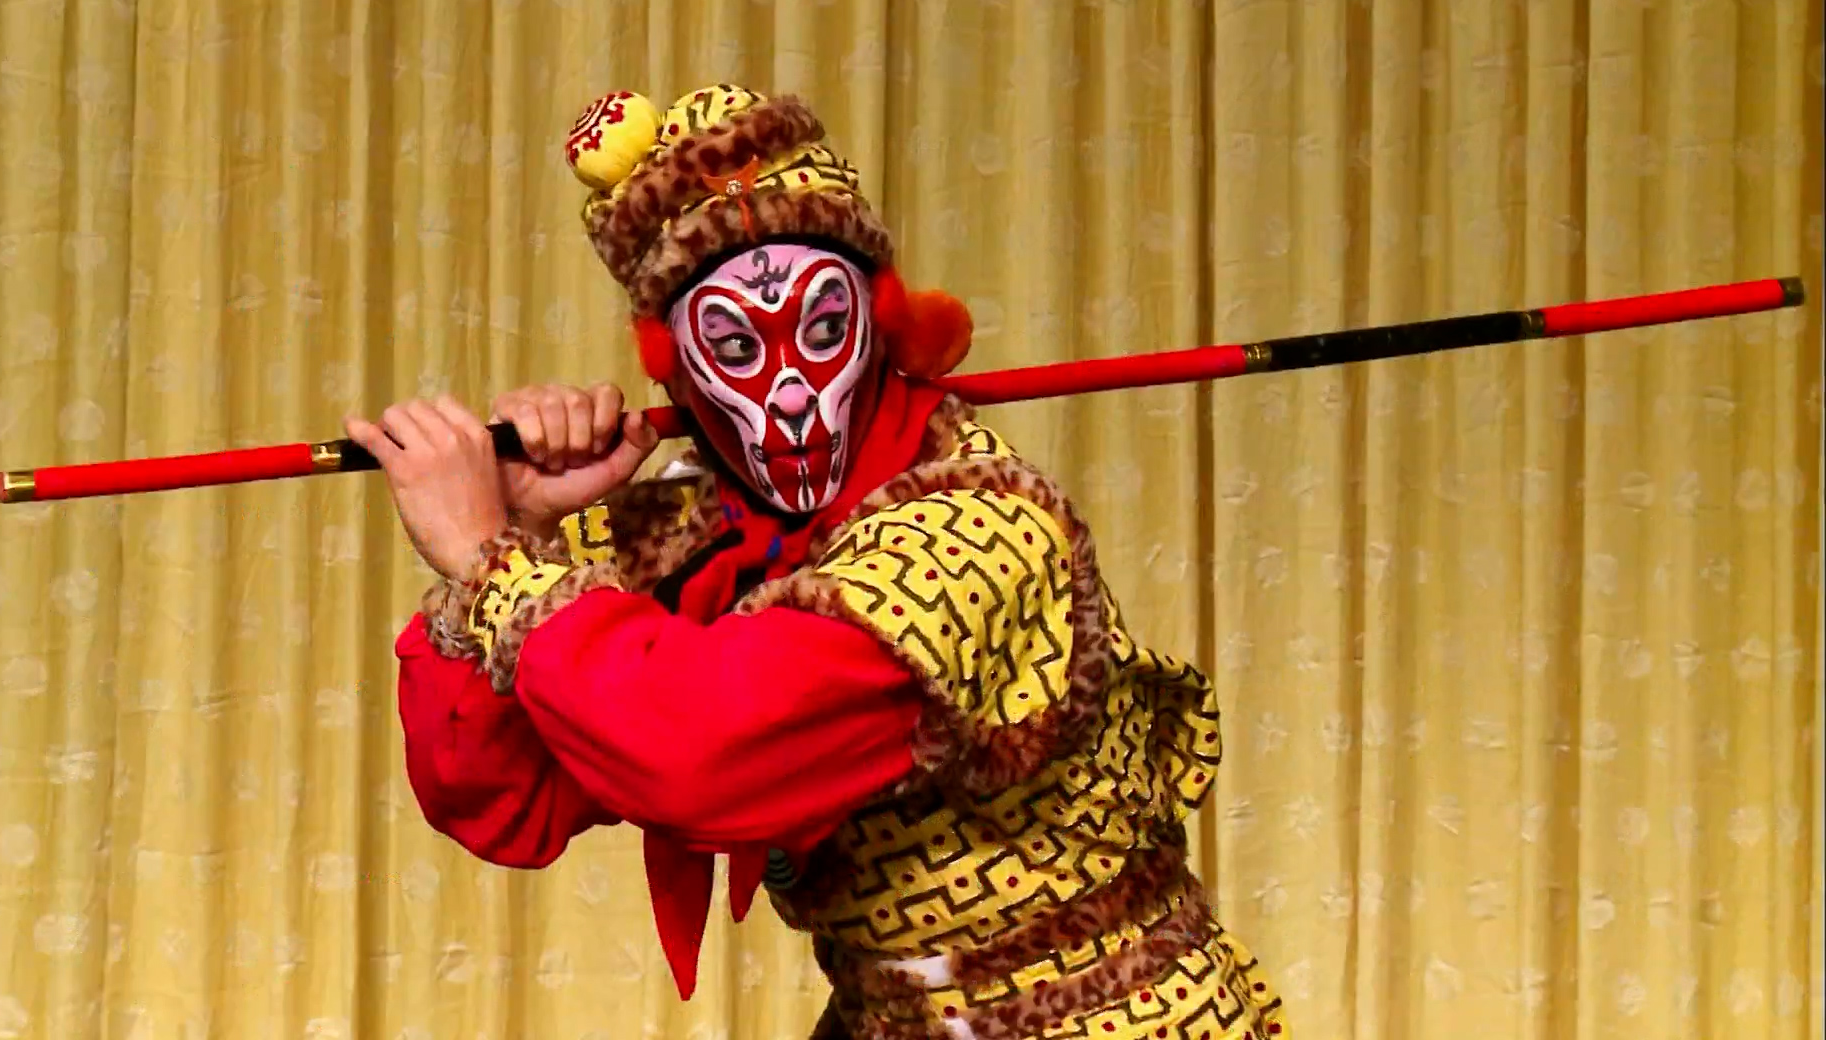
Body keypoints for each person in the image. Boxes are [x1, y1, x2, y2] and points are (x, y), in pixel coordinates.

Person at [346, 84, 1287, 1040]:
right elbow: (504, 803)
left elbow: (702, 754)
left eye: (822, 328)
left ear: (882, 318)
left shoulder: (982, 527)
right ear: (675, 365)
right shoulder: (692, 527)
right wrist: (528, 529)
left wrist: (493, 559)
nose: (791, 392)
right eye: (736, 344)